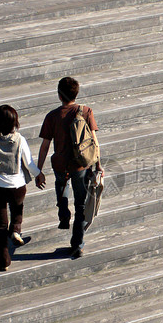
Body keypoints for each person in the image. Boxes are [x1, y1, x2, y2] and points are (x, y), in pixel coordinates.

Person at [36, 77, 104, 258]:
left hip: (60, 163)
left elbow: (45, 145)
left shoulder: (52, 116)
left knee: (61, 186)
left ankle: (63, 213)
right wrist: (98, 164)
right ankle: (77, 245)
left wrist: (38, 170)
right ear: (77, 93)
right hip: (81, 165)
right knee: (81, 205)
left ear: (59, 95)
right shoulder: (86, 111)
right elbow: (94, 142)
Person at [0, 104, 42, 271]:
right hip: (17, 185)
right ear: (15, 122)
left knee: (0, 225)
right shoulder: (20, 139)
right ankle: (15, 230)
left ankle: (3, 260)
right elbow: (29, 163)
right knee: (17, 211)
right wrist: (38, 175)